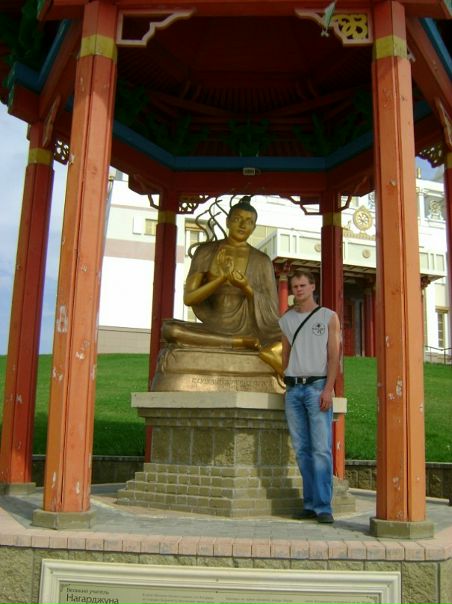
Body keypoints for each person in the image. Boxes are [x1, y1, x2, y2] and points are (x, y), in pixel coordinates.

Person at [162, 197, 282, 373]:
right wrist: (220, 279)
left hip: (249, 327)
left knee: (289, 335)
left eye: (249, 222)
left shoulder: (262, 260)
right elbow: (189, 298)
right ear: (227, 221)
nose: (243, 225)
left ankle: (243, 340)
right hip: (212, 325)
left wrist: (246, 287)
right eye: (237, 219)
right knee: (171, 330)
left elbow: (271, 309)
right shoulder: (206, 251)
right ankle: (240, 343)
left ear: (254, 227)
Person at [279, 268, 340, 523]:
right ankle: (310, 503)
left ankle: (324, 506)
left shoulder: (328, 317)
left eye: (303, 285)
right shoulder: (286, 319)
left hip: (317, 387)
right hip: (294, 389)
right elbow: (285, 353)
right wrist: (285, 379)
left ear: (313, 287)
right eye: (295, 287)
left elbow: (334, 356)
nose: (298, 290)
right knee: (302, 449)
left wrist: (328, 389)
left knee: (321, 449)